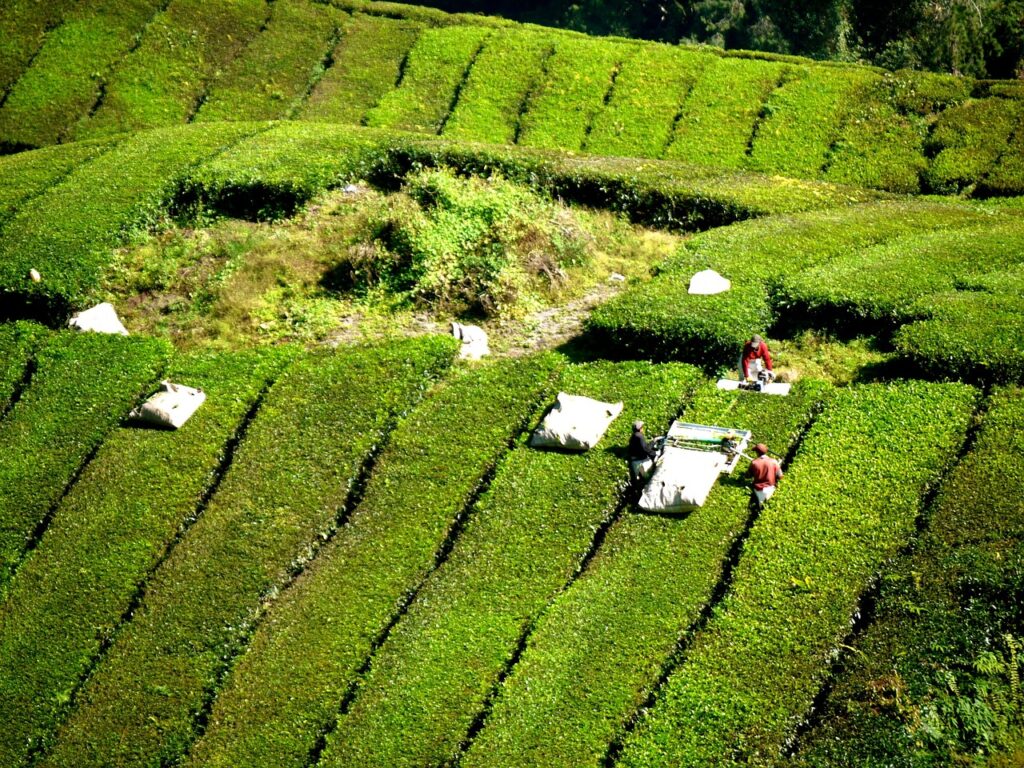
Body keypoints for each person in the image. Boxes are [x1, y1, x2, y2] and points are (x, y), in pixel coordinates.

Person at [748, 443, 783, 508]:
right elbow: (780, 476)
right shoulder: (774, 461)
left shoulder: (754, 462)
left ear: (757, 453)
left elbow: (748, 476)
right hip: (771, 488)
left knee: (760, 507)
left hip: (759, 490)